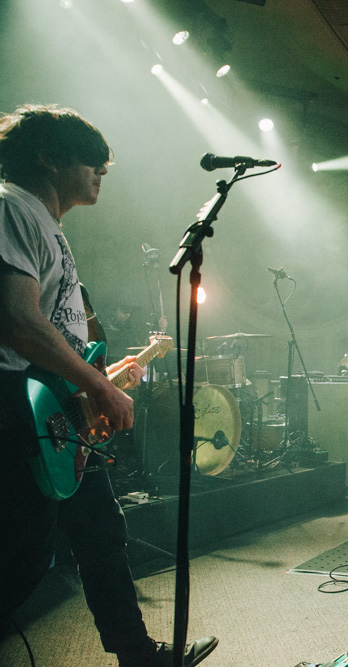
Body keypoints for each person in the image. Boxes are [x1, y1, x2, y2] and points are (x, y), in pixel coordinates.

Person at [0, 104, 218, 666]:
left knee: (101, 536)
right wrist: (97, 388)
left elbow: (55, 333)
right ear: (49, 156)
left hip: (57, 410)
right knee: (24, 556)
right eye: (93, 161)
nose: (102, 172)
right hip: (19, 408)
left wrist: (101, 373)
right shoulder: (11, 208)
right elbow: (17, 321)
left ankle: (139, 656)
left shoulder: (50, 227)